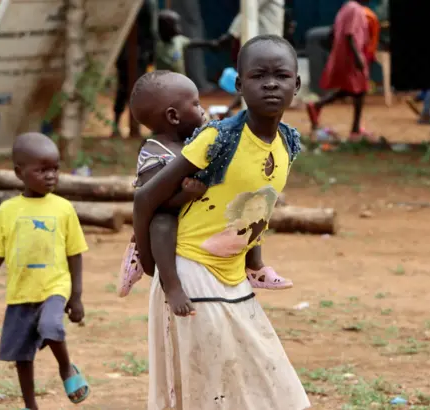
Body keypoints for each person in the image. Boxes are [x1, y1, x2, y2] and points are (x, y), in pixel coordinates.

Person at [133, 35, 310, 409]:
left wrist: (253, 260)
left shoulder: (289, 142)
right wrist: (152, 265)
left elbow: (255, 205)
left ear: (297, 84)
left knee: (262, 376)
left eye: (281, 76)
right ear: (239, 84)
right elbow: (147, 197)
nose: (271, 84)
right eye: (259, 76)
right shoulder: (219, 138)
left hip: (231, 275)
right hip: (190, 271)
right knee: (208, 384)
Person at [118, 70, 293, 314]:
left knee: (250, 206)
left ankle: (255, 266)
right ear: (173, 116)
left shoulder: (199, 139)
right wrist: (185, 195)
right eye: (196, 103)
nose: (203, 109)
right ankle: (171, 285)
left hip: (199, 212)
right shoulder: (154, 152)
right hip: (166, 215)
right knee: (162, 224)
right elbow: (155, 201)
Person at [0, 133, 90, 409]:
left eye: (55, 169)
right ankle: (30, 405)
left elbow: (75, 253)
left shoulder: (63, 208)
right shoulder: (7, 210)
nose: (50, 176)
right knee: (22, 355)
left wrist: (77, 296)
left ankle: (66, 367)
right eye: (42, 170)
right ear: (19, 173)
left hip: (55, 287)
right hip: (21, 292)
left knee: (50, 326)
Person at [305, 0, 371, 141]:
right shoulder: (356, 9)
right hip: (352, 55)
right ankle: (355, 130)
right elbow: (350, 34)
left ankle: (317, 106)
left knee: (353, 89)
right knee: (360, 90)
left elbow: (333, 33)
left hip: (344, 54)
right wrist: (358, 57)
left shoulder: (346, 7)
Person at [111, 0, 156, 138]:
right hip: (131, 54)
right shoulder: (144, 4)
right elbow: (151, 32)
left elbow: (150, 31)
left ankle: (129, 126)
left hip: (134, 53)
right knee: (129, 89)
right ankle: (120, 125)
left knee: (129, 89)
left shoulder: (144, 4)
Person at [155, 10, 219, 75]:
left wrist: (210, 43)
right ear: (166, 27)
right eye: (175, 25)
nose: (179, 28)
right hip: (164, 82)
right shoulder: (157, 46)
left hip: (181, 81)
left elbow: (193, 43)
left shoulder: (179, 40)